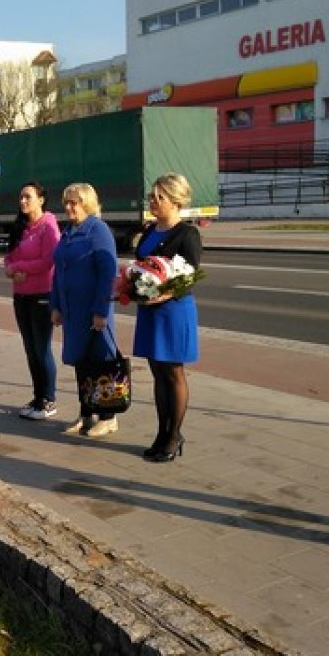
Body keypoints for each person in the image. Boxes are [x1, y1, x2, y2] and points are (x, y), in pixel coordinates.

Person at [132, 173, 203, 463]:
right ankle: (161, 433)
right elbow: (140, 264)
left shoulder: (187, 234)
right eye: (152, 196)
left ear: (175, 202)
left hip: (172, 311)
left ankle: (174, 435)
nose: (152, 201)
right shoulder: (150, 231)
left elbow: (191, 275)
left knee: (173, 373)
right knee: (157, 373)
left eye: (157, 197)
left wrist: (165, 293)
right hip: (149, 312)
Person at [50, 182, 119, 437]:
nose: (68, 207)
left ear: (87, 204)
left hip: (94, 311)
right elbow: (58, 271)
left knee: (101, 363)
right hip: (73, 311)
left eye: (73, 202)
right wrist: (56, 305)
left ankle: (108, 416)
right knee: (81, 362)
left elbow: (107, 273)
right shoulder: (69, 231)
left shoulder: (98, 230)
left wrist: (101, 310)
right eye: (66, 202)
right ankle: (86, 413)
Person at [4, 182, 61, 420]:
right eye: (21, 197)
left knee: (41, 348)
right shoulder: (21, 227)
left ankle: (48, 398)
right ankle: (38, 396)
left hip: (41, 295)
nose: (23, 201)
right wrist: (10, 269)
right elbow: (8, 257)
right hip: (21, 296)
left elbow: (48, 261)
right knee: (30, 349)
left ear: (41, 199)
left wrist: (18, 267)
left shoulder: (48, 226)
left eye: (28, 197)